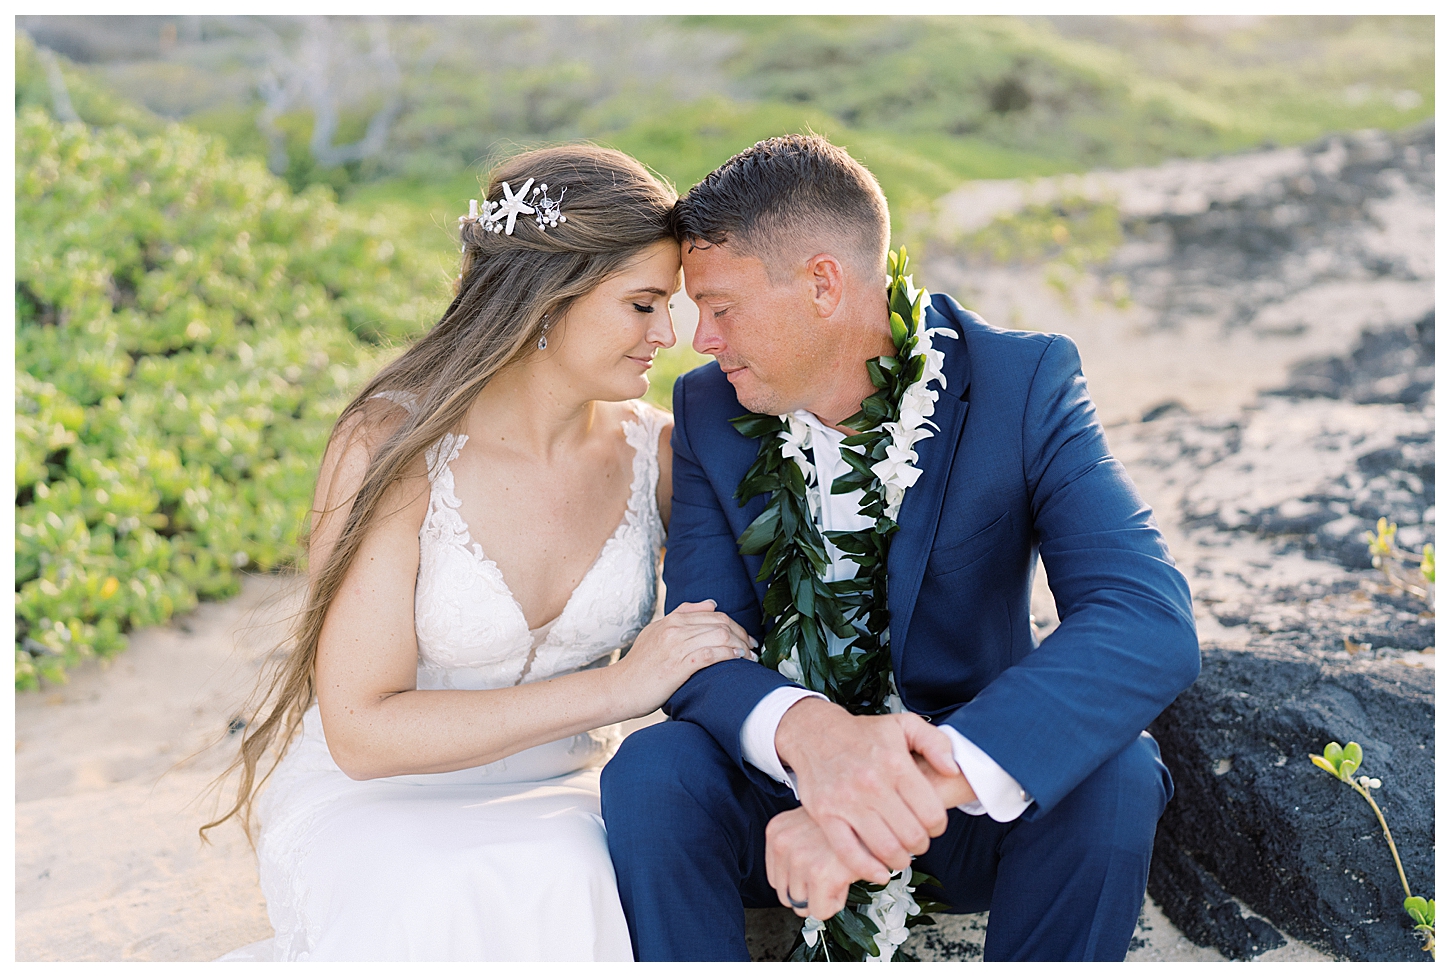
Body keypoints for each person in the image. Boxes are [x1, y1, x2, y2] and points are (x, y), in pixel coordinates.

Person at [600, 134, 1201, 961]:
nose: (700, 339)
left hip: (962, 801)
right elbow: (704, 645)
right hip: (780, 808)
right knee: (654, 771)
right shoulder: (709, 408)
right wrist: (815, 741)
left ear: (822, 283)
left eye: (721, 307)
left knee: (1117, 774)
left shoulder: (1022, 384)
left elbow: (1146, 616)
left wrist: (914, 778)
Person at [206, 145, 758, 962]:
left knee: (574, 873)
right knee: (438, 894)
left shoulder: (660, 456)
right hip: (382, 795)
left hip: (563, 793)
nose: (668, 334)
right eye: (642, 304)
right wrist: (617, 687)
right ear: (546, 300)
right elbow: (360, 730)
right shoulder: (392, 448)